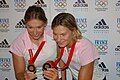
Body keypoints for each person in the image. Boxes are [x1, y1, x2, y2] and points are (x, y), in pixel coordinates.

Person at [9, 5, 59, 80]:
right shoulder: (18, 43)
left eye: (39, 27)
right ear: (25, 24)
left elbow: (61, 58)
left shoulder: (54, 32)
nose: (35, 33)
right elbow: (19, 73)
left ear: (45, 24)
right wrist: (25, 78)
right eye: (30, 27)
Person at [50, 13, 100, 80]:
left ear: (73, 31)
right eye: (55, 34)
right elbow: (61, 59)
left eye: (63, 34)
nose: (58, 39)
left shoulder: (85, 48)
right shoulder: (62, 42)